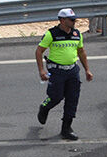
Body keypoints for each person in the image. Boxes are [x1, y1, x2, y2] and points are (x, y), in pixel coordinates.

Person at [36, 8, 93, 140]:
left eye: (74, 20)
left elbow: (81, 52)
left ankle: (66, 128)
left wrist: (87, 70)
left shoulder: (77, 34)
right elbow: (39, 51)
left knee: (72, 99)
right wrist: (41, 71)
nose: (74, 22)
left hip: (72, 70)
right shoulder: (52, 34)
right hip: (57, 71)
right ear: (62, 20)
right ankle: (44, 107)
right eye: (71, 20)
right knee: (56, 97)